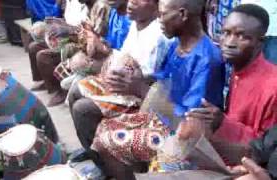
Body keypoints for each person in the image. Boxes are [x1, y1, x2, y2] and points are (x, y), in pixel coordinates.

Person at [69, 0, 225, 178]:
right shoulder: (178, 44)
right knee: (103, 128)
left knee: (109, 140)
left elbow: (189, 120)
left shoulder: (206, 59)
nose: (159, 19)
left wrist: (140, 88)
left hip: (185, 136)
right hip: (163, 119)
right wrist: (136, 77)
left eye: (163, 14)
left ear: (182, 14)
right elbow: (162, 83)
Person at [186, 4, 277, 149]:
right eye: (226, 33)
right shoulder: (238, 70)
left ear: (260, 43)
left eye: (242, 37)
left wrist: (223, 124)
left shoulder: (272, 87)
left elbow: (268, 150)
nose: (229, 43)